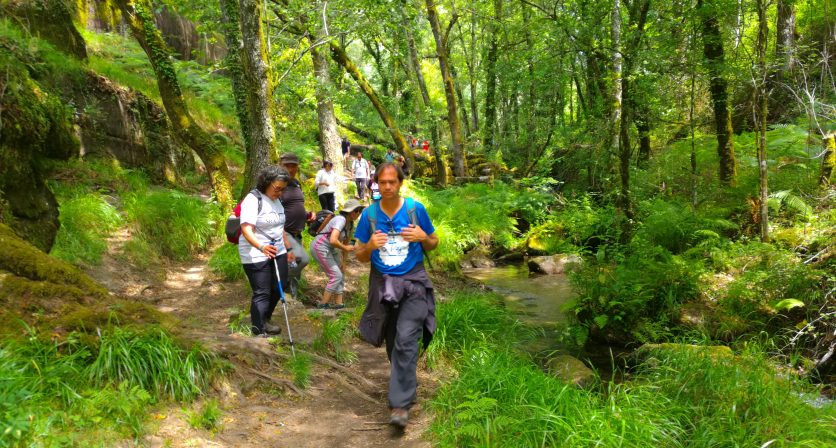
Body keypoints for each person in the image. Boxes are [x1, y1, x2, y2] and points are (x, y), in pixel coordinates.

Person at [354, 162, 439, 428]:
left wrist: (423, 236)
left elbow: (434, 243)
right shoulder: (368, 215)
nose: (388, 186)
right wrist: (369, 245)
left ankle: (400, 406)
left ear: (400, 183)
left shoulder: (415, 209)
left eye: (393, 182)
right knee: (393, 341)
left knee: (405, 338)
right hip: (383, 285)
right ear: (376, 183)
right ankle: (405, 384)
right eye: (383, 182)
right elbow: (359, 256)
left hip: (413, 283)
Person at [239, 165, 295, 337]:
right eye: (277, 189)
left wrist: (289, 247)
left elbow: (280, 227)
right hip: (255, 251)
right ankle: (258, 329)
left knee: (280, 286)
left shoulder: (277, 201)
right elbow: (246, 229)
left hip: (277, 249)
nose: (279, 193)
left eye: (282, 190)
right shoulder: (253, 199)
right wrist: (261, 247)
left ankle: (266, 318)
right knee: (262, 291)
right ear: (267, 182)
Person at [309, 199, 364, 310]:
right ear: (351, 211)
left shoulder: (349, 224)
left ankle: (339, 304)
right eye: (357, 210)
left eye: (360, 211)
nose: (359, 213)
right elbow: (333, 240)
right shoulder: (340, 220)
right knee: (336, 275)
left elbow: (346, 244)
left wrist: (343, 262)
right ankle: (323, 304)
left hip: (331, 249)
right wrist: (345, 248)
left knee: (341, 273)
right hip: (320, 247)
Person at [279, 153, 311, 297]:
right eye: (287, 165)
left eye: (294, 166)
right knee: (302, 260)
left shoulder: (296, 183)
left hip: (298, 232)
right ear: (280, 165)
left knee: (295, 269)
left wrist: (307, 215)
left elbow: (295, 206)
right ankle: (277, 285)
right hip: (284, 233)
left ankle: (292, 298)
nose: (291, 169)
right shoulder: (278, 185)